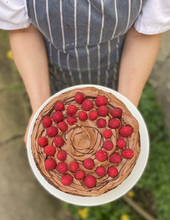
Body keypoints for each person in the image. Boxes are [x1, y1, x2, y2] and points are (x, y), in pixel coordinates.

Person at [0, 0, 170, 143]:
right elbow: (23, 29)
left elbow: (144, 32)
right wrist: (42, 108)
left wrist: (125, 108)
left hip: (116, 69)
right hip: (52, 68)